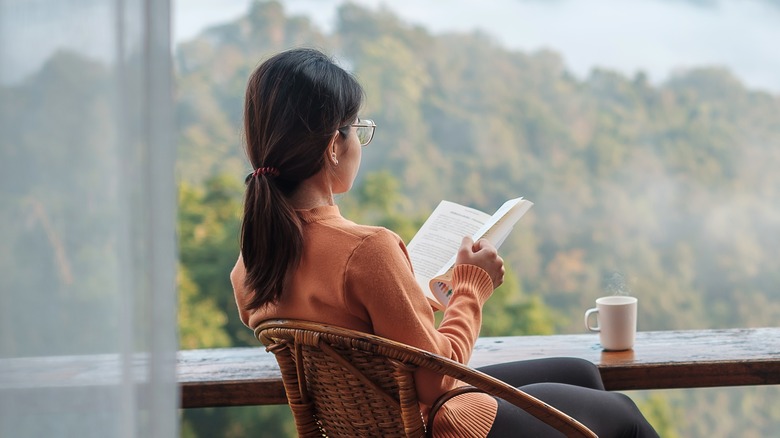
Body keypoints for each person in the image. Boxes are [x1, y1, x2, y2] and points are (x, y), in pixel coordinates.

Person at [230, 47, 659, 438]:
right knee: (622, 416)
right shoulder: (366, 252)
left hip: (374, 426)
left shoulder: (253, 263)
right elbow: (438, 381)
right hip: (432, 422)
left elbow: (349, 328)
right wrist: (470, 287)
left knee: (580, 372)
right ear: (333, 147)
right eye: (357, 129)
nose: (361, 141)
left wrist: (409, 298)